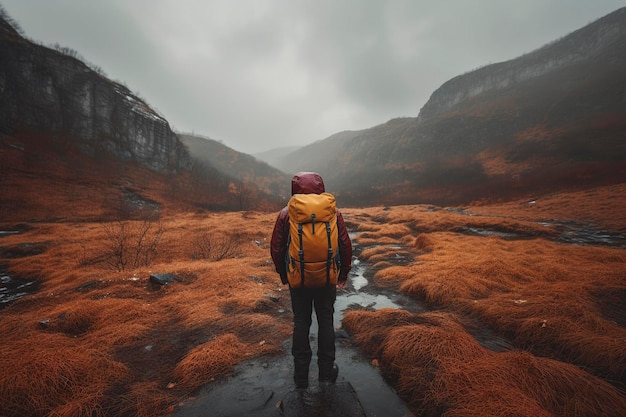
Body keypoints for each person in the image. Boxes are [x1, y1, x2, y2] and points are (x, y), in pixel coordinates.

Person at [271, 172, 352, 389]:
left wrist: (283, 274)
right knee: (326, 320)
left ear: (294, 190)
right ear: (321, 188)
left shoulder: (286, 213)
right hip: (327, 277)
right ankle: (326, 373)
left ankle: (300, 376)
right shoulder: (333, 212)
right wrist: (343, 274)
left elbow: (277, 248)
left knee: (301, 321)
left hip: (298, 277)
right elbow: (344, 244)